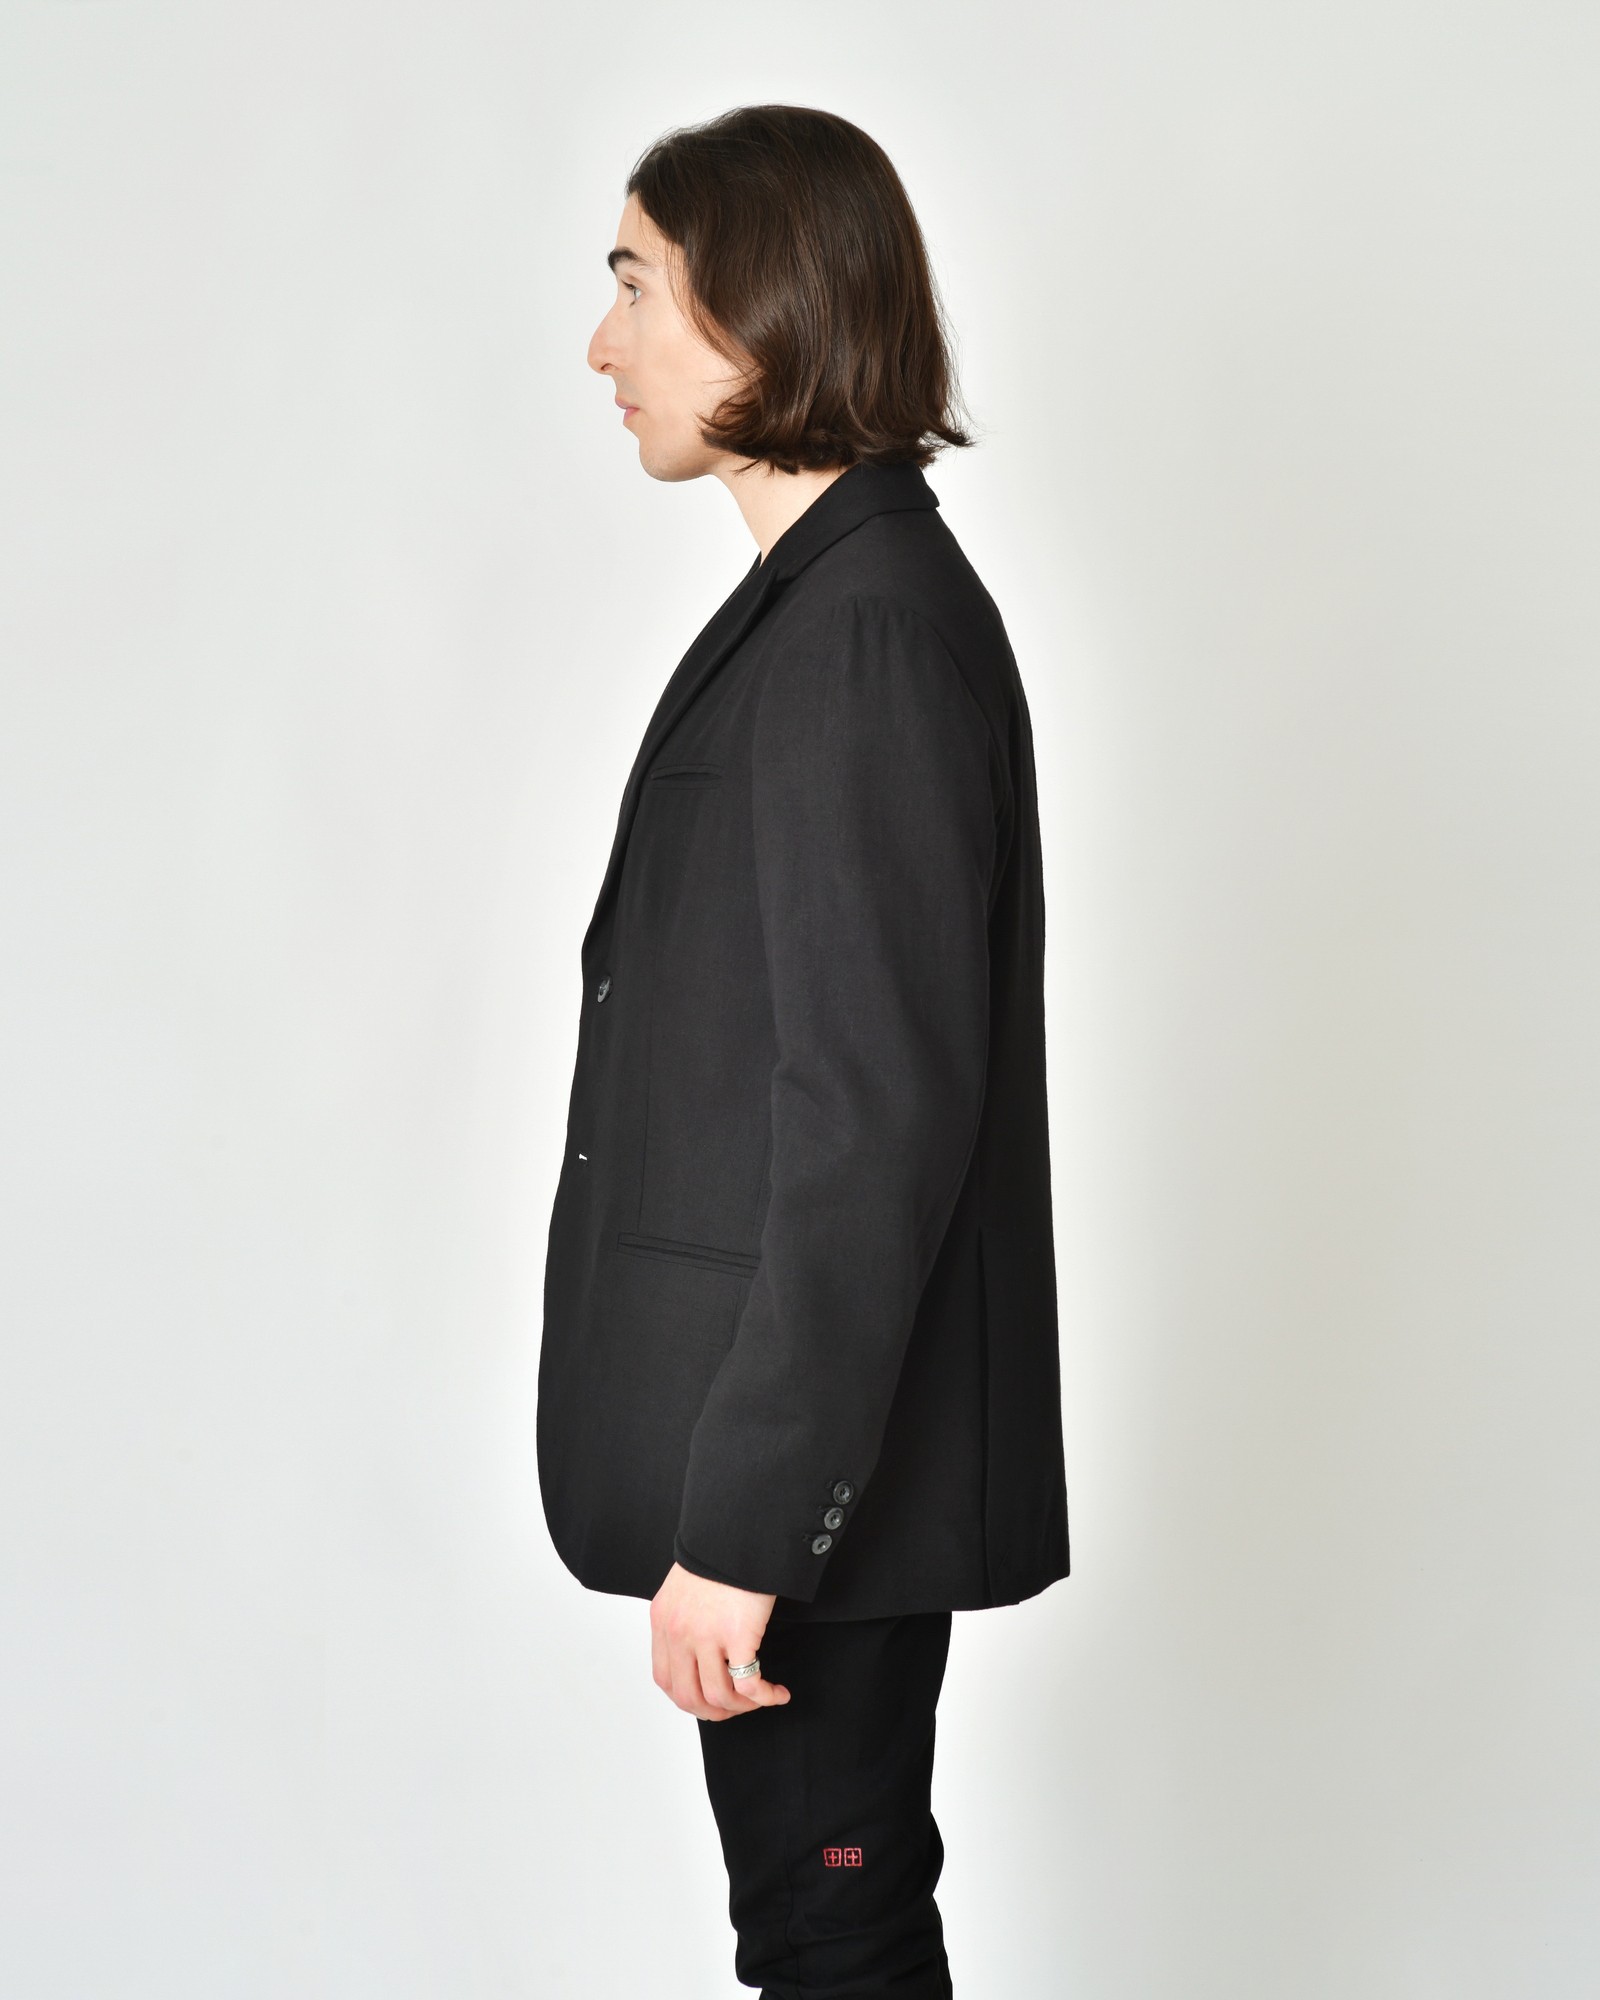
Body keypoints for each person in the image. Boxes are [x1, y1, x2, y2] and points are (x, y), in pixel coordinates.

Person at [538, 102, 1070, 1998]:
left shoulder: (863, 633)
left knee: (835, 1941)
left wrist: (753, 1524)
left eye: (636, 287)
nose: (600, 342)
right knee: (825, 1930)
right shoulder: (821, 605)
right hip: (802, 1460)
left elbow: (872, 1120)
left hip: (816, 1487)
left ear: (760, 306)